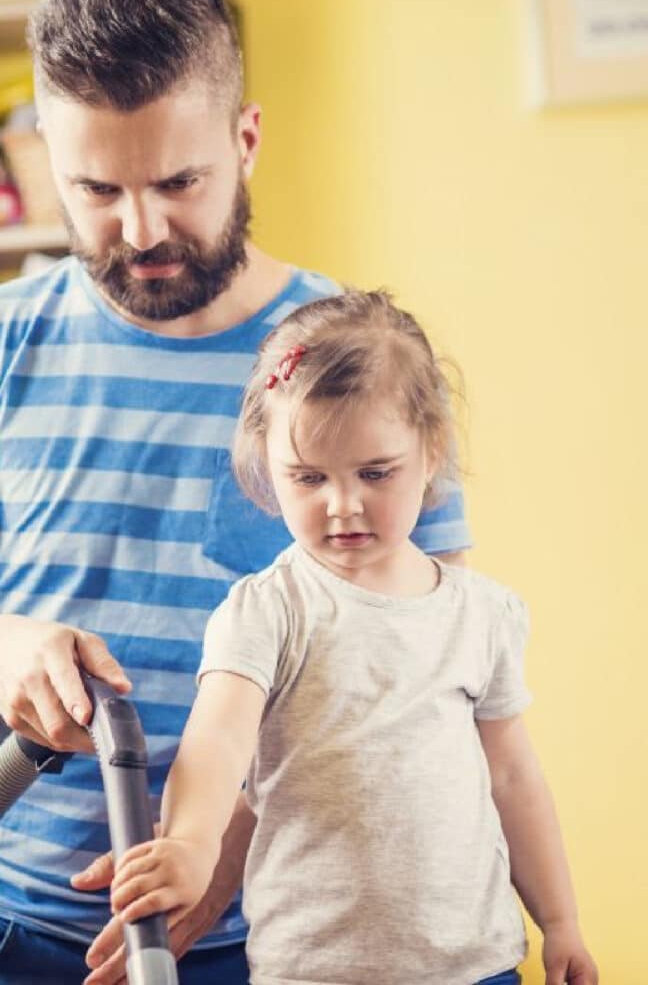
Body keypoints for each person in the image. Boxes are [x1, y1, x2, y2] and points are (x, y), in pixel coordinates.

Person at [0, 0, 471, 983]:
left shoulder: (359, 366)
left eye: (178, 182)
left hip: (281, 939)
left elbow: (424, 670)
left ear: (244, 141)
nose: (140, 231)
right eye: (97, 189)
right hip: (17, 926)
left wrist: (224, 847)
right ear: (49, 157)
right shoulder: (8, 344)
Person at [109, 290, 599, 985]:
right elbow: (217, 741)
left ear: (431, 453)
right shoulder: (267, 610)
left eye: (375, 473)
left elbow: (512, 776)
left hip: (476, 964)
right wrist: (190, 842)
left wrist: (560, 923)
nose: (342, 505)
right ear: (267, 470)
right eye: (307, 479)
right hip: (311, 967)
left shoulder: (481, 614)